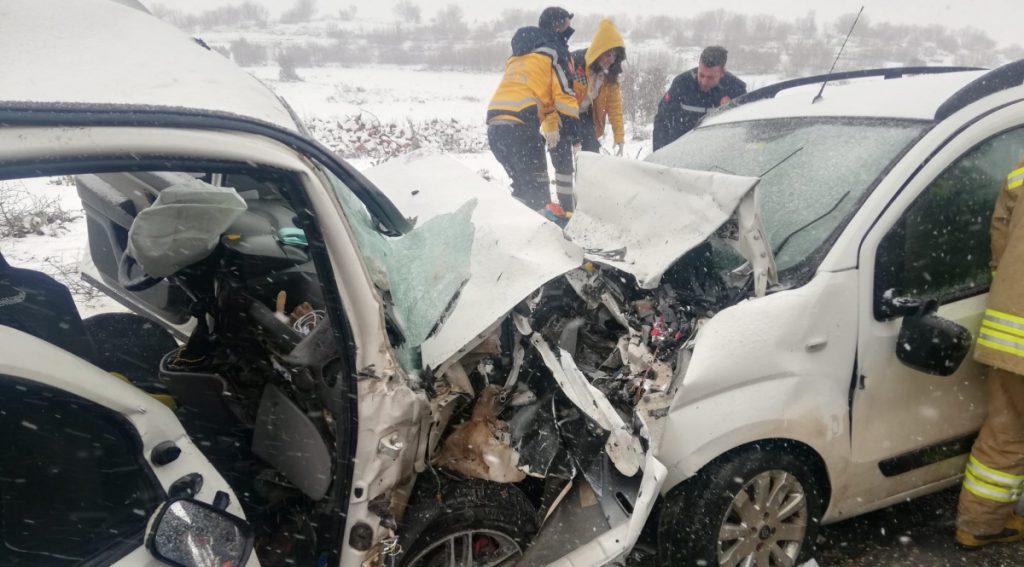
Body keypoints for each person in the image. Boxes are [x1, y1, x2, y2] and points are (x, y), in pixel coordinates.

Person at [954, 157, 1024, 550]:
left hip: (1010, 329)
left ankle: (978, 526)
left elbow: (999, 235)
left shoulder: (1020, 169)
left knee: (1007, 430)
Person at [486, 7, 579, 211]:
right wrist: (574, 134)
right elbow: (564, 94)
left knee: (522, 190)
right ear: (557, 26)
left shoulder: (521, 53)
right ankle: (543, 240)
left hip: (496, 128)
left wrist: (551, 124)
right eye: (567, 24)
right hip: (521, 130)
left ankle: (515, 233)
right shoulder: (556, 50)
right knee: (539, 198)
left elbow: (539, 95)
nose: (570, 29)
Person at [542, 18, 627, 211]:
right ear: (598, 50)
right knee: (563, 165)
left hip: (584, 118)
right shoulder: (573, 63)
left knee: (591, 160)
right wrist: (551, 125)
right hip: (561, 116)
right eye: (607, 55)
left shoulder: (609, 77)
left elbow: (614, 107)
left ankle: (587, 205)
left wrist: (619, 136)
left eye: (614, 56)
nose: (610, 60)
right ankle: (567, 210)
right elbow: (550, 93)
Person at [652, 46, 746, 151]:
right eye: (701, 75)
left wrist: (729, 110)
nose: (704, 82)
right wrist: (660, 152)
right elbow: (662, 119)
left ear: (722, 73)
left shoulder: (736, 89)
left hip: (714, 152)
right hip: (679, 150)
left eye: (710, 77)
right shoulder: (682, 83)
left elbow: (741, 128)